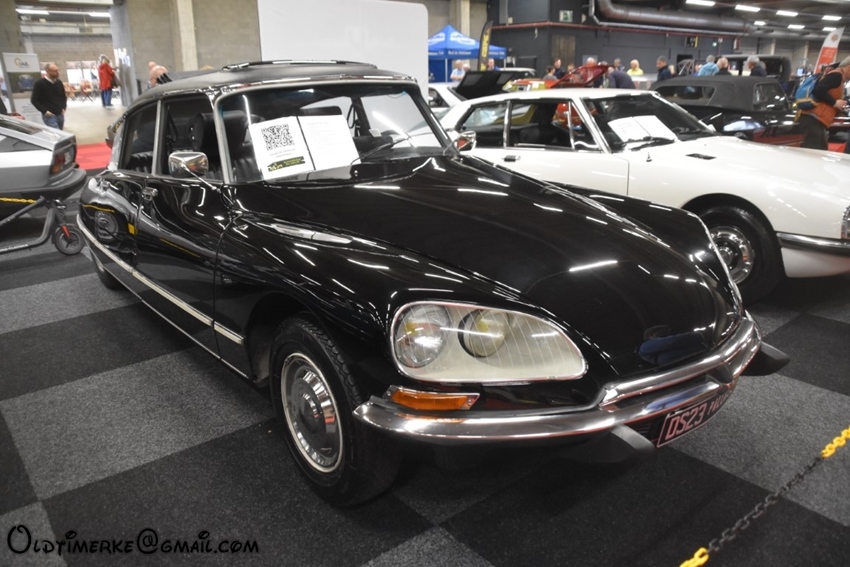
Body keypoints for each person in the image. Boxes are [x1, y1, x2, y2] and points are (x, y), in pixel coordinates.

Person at [796, 56, 850, 150]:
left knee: (819, 150)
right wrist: (834, 103)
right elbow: (819, 90)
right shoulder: (837, 75)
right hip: (813, 118)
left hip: (815, 118)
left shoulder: (836, 75)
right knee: (814, 151)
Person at [30, 63, 67, 130]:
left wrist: (64, 107)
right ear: (48, 71)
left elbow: (63, 96)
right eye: (55, 71)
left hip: (60, 114)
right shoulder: (39, 84)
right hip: (49, 116)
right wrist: (45, 111)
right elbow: (34, 100)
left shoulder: (59, 83)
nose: (58, 72)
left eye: (58, 70)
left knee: (61, 133)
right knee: (56, 133)